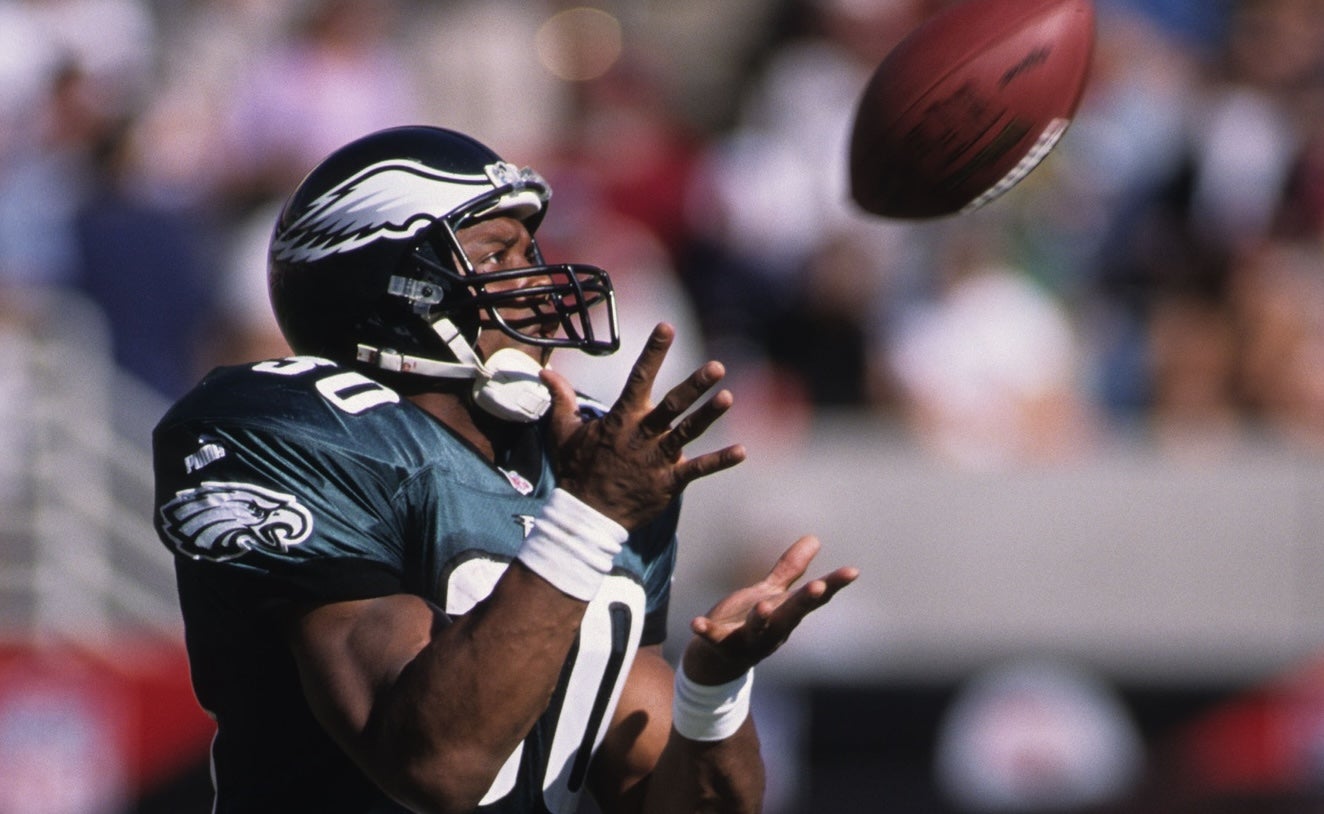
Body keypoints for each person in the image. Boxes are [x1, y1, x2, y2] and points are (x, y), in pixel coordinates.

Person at [152, 124, 858, 813]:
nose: (534, 279)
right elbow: (435, 766)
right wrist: (585, 518)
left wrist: (711, 693)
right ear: (397, 289)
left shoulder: (578, 460)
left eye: (531, 249)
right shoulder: (296, 428)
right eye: (496, 257)